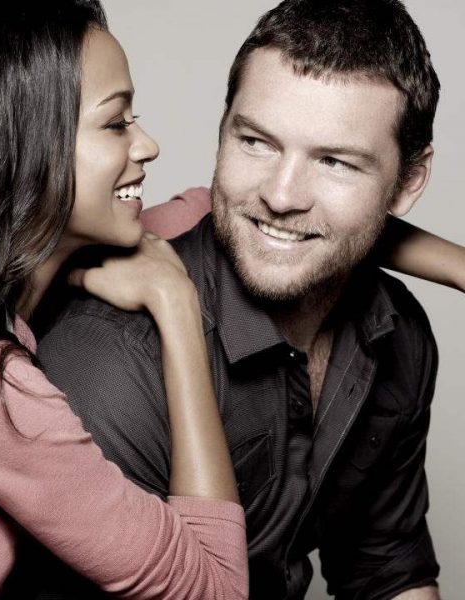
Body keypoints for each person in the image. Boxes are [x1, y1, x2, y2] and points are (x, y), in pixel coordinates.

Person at [38, 0, 449, 598]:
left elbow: (386, 567)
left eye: (335, 162)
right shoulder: (111, 361)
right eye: (256, 141)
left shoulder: (397, 332)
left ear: (407, 182)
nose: (280, 196)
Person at [0, 1, 250, 598]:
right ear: (16, 150)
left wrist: (421, 251)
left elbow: (222, 208)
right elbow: (214, 588)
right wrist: (177, 307)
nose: (148, 145)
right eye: (115, 123)